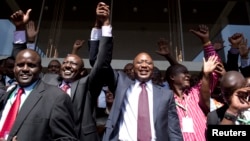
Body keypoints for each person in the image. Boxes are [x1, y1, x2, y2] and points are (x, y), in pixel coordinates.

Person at [10, 3, 113, 141]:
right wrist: (20, 28)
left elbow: (101, 64)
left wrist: (103, 25)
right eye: (65, 62)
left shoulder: (87, 86)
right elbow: (22, 60)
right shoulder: (46, 80)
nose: (68, 66)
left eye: (73, 64)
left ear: (82, 72)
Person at [157, 25, 221, 141]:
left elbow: (215, 69)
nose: (188, 75)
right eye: (184, 73)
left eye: (188, 73)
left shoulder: (196, 93)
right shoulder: (164, 100)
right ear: (172, 77)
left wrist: (206, 42)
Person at [100, 53, 183, 140]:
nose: (144, 65)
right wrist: (105, 39)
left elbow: (174, 131)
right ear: (133, 69)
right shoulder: (121, 85)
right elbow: (102, 65)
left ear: (152, 68)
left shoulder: (166, 95)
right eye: (139, 62)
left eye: (148, 63)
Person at [0, 49, 78, 141]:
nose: (25, 69)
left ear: (40, 69)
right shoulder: (6, 96)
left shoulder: (56, 97)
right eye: (20, 65)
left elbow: (67, 139)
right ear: (14, 68)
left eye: (31, 65)